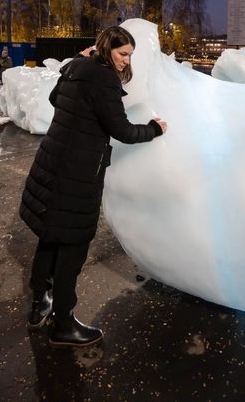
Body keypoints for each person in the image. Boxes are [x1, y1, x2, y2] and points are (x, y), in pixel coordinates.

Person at [18, 26, 167, 348]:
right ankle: (63, 323)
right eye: (122, 53)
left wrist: (75, 61)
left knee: (50, 237)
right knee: (73, 244)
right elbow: (122, 130)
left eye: (130, 55)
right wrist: (154, 129)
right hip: (77, 173)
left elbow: (55, 98)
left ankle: (38, 304)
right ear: (106, 48)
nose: (127, 61)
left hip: (52, 164)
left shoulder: (76, 67)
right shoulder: (103, 79)